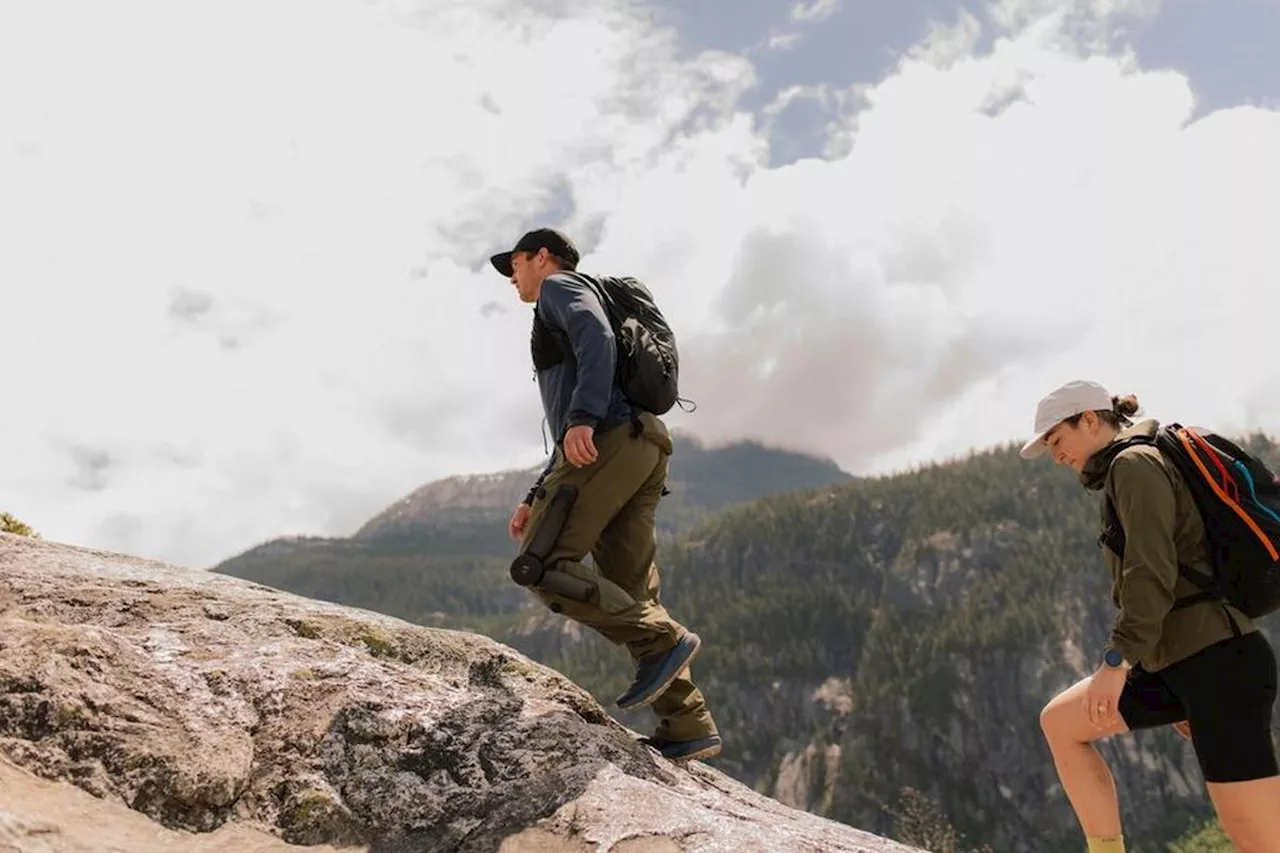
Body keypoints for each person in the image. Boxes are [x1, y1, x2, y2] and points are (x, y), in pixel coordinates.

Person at [488, 227, 721, 762]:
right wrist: (537, 492)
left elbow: (596, 338)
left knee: (539, 565)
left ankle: (665, 640)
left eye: (516, 264)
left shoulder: (559, 290)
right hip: (642, 446)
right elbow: (575, 398)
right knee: (631, 592)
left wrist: (587, 417)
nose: (513, 278)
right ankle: (688, 724)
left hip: (607, 438)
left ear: (541, 257)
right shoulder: (591, 292)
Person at [1021, 379, 1280, 853]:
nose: (1056, 455)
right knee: (1061, 723)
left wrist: (1116, 664)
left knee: (1258, 839)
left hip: (1220, 665)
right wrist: (1164, 674)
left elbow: (1150, 575)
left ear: (1090, 419)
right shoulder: (1128, 467)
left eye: (1057, 439)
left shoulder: (1134, 464)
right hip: (1184, 664)